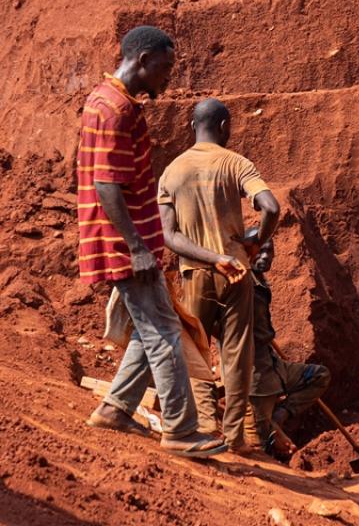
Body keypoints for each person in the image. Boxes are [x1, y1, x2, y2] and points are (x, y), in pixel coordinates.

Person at [78, 26, 226, 458]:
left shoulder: (109, 102)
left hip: (131, 238)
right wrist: (137, 246)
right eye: (164, 67)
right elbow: (106, 185)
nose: (167, 78)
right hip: (126, 243)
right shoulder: (115, 110)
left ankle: (116, 407)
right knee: (163, 331)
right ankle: (181, 430)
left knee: (149, 330)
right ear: (142, 60)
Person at [158, 98, 280, 452]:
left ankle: (205, 426)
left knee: (197, 348)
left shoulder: (172, 171)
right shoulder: (236, 163)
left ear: (192, 127)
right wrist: (257, 240)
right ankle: (235, 436)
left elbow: (169, 236)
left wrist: (210, 258)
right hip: (236, 273)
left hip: (195, 271)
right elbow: (271, 206)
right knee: (236, 352)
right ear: (225, 127)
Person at [242, 227, 331, 459]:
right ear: (247, 251)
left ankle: (280, 415)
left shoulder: (261, 281)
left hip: (272, 365)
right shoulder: (242, 283)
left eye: (269, 252)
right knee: (258, 448)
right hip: (255, 374)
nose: (264, 256)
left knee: (319, 376)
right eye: (259, 251)